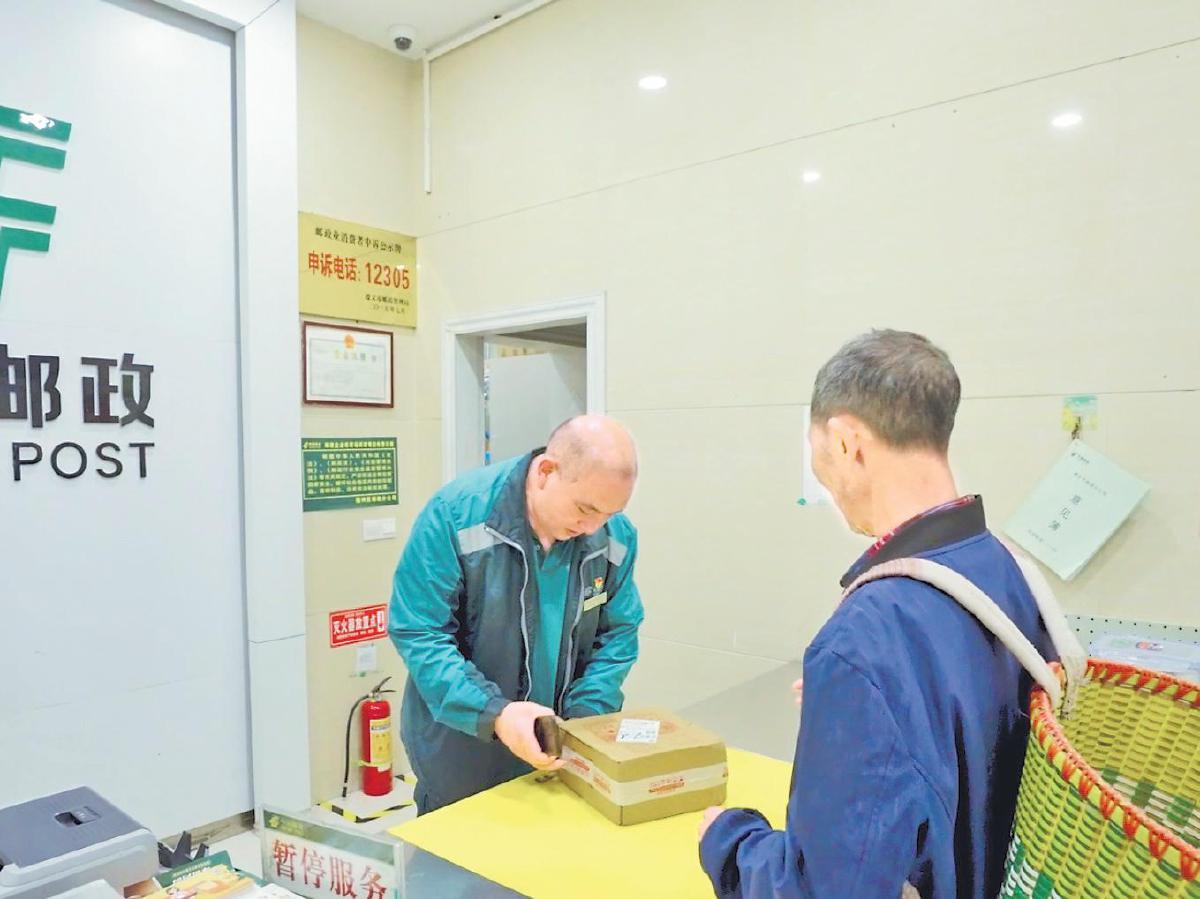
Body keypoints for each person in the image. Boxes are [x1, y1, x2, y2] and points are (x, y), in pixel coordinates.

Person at [698, 330, 1054, 898]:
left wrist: (728, 839)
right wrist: (864, 708)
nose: (828, 487)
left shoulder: (865, 636)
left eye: (818, 456)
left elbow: (820, 888)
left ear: (847, 443)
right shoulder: (1007, 571)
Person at [388, 414, 644, 814]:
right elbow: (421, 633)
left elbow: (618, 633)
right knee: (462, 852)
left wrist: (586, 715)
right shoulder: (455, 516)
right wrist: (496, 714)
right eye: (585, 508)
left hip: (564, 759)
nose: (593, 526)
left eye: (609, 514)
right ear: (546, 472)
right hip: (465, 754)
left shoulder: (613, 537)